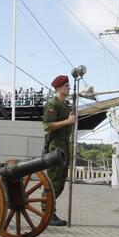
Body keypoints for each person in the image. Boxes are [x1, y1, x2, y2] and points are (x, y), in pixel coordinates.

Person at [42, 75, 76, 227]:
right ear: (58, 88)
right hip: (55, 147)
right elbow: (47, 126)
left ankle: (50, 210)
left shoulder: (64, 105)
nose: (69, 88)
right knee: (53, 180)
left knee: (60, 181)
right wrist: (67, 122)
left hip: (64, 146)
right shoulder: (52, 104)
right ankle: (47, 212)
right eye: (66, 86)